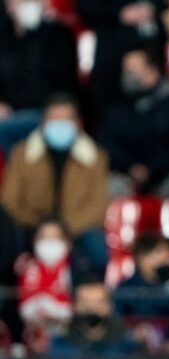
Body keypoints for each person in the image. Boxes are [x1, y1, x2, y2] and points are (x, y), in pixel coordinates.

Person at [0, 94, 110, 279]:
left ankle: (91, 297)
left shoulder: (96, 157)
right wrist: (43, 230)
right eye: (54, 119)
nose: (59, 125)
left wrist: (62, 232)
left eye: (66, 119)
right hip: (30, 227)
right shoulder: (22, 154)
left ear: (78, 123)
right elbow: (10, 200)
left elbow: (98, 207)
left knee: (96, 244)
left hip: (76, 230)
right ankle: (11, 300)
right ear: (43, 123)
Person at [99, 44, 169, 197]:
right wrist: (131, 167)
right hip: (126, 174)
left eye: (132, 70)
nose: (127, 75)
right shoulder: (119, 106)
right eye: (125, 70)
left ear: (153, 71)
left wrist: (151, 170)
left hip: (165, 175)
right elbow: (107, 143)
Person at [0, 0, 77, 152]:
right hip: (8, 111)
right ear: (8, 6)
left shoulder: (58, 35)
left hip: (45, 110)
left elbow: (61, 85)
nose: (30, 4)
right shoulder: (4, 38)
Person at [113, 232, 169, 353]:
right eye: (159, 252)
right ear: (142, 257)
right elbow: (116, 324)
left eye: (168, 252)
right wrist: (132, 336)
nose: (167, 257)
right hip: (131, 355)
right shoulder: (125, 289)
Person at [48, 281, 138, 359]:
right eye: (85, 302)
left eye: (98, 302)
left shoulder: (126, 348)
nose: (92, 309)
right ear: (75, 307)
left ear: (110, 306)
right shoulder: (59, 347)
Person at [16, 219, 72, 341]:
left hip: (68, 337)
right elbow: (25, 309)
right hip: (33, 337)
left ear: (67, 242)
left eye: (55, 237)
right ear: (35, 241)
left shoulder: (75, 270)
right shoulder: (27, 268)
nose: (50, 243)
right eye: (44, 237)